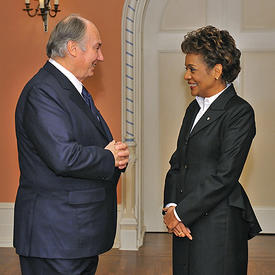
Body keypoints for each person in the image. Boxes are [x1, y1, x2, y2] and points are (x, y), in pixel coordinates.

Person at [14, 14, 129, 275]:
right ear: (73, 48)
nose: (100, 57)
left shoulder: (68, 89)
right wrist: (109, 158)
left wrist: (115, 156)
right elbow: (63, 156)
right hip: (56, 238)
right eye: (97, 47)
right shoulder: (43, 91)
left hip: (73, 237)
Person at [163, 25, 261, 275]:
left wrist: (181, 213)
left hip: (219, 223)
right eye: (186, 68)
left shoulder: (239, 112)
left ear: (217, 71)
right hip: (184, 223)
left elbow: (225, 176)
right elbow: (177, 164)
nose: (187, 76)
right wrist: (171, 208)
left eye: (191, 69)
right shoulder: (193, 109)